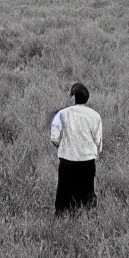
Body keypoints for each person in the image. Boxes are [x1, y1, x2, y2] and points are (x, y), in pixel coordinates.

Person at [50, 83, 103, 215]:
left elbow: (54, 137)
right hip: (87, 159)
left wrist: (62, 147)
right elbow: (98, 139)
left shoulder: (62, 114)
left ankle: (63, 214)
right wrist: (95, 153)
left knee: (64, 189)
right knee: (87, 188)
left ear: (73, 97)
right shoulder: (95, 115)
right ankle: (87, 213)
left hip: (67, 158)